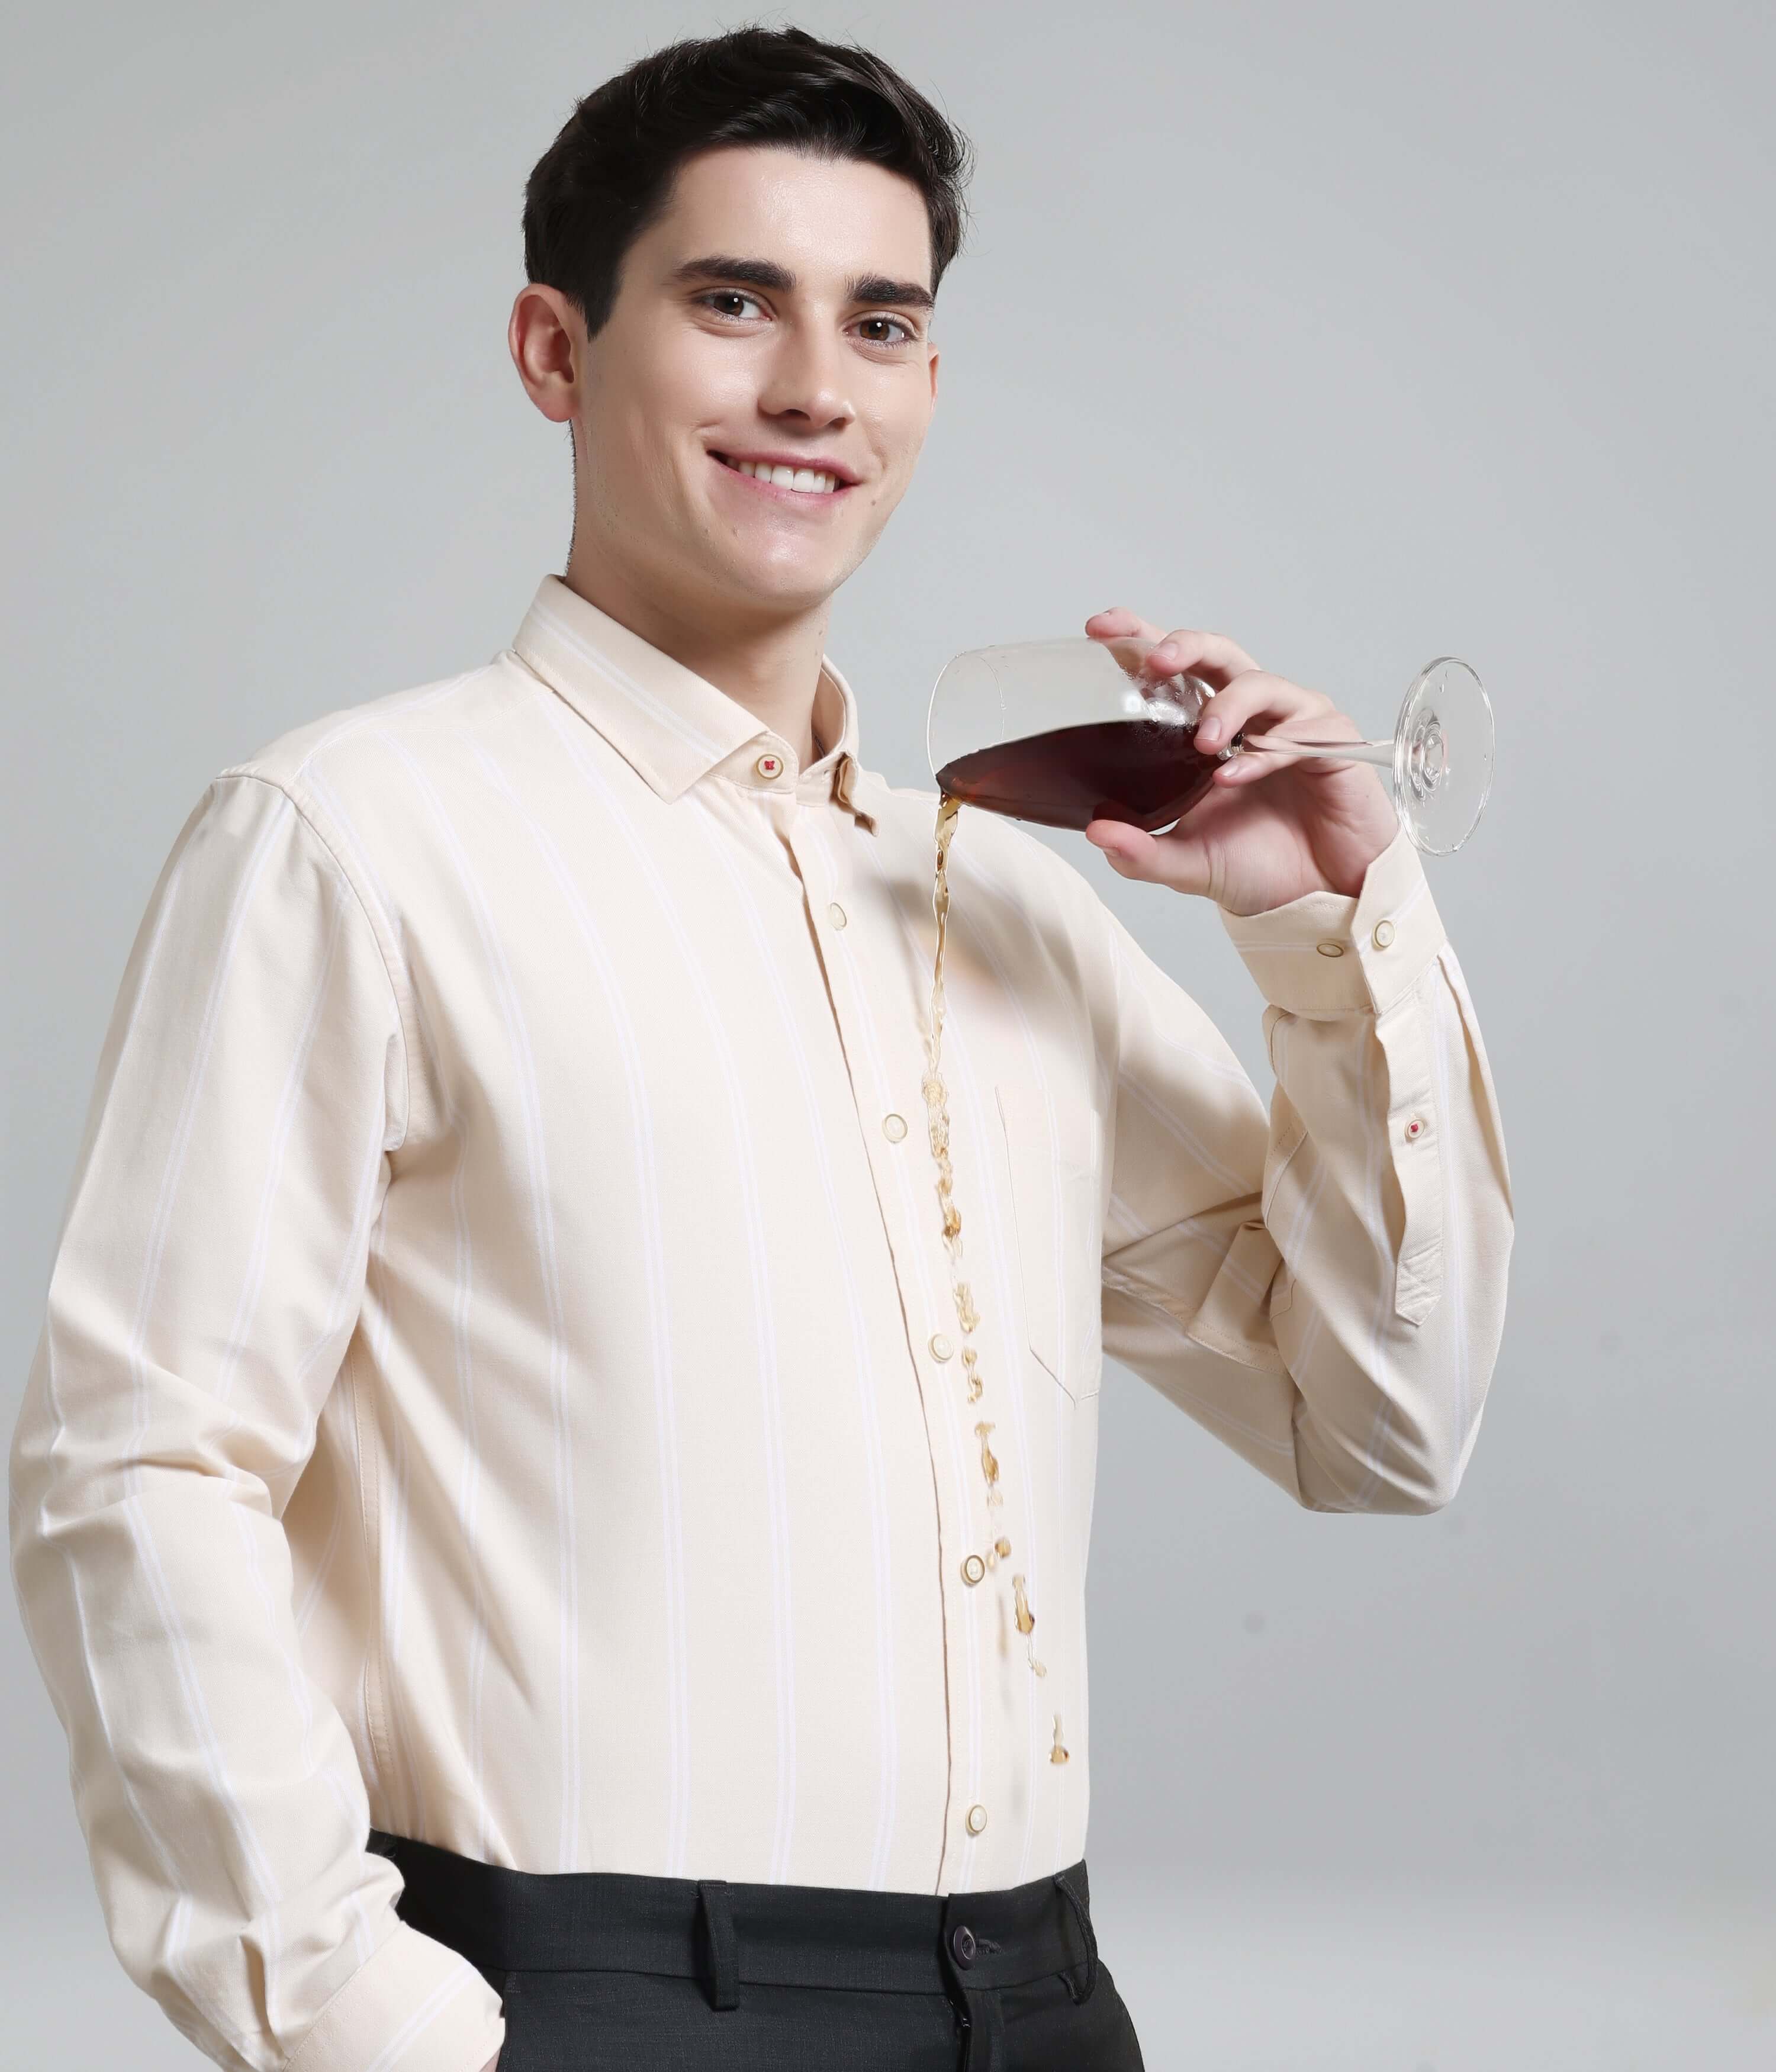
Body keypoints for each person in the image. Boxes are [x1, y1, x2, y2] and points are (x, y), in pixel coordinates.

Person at [8, 23, 1513, 2072]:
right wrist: (366, 2025)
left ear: (925, 386)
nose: (817, 386)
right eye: (737, 302)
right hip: (589, 2004)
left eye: (880, 323)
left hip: (1045, 2002)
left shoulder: (1003, 900)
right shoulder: (353, 841)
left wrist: (1325, 932)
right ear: (556, 350)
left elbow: (1380, 1422)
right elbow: (141, 1465)